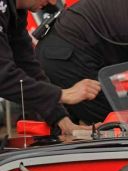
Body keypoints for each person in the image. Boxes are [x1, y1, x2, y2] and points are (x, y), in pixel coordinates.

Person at [0, 0, 101, 134]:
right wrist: (62, 94)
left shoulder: (16, 12)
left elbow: (29, 67)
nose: (53, 2)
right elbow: (3, 77)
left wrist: (63, 122)